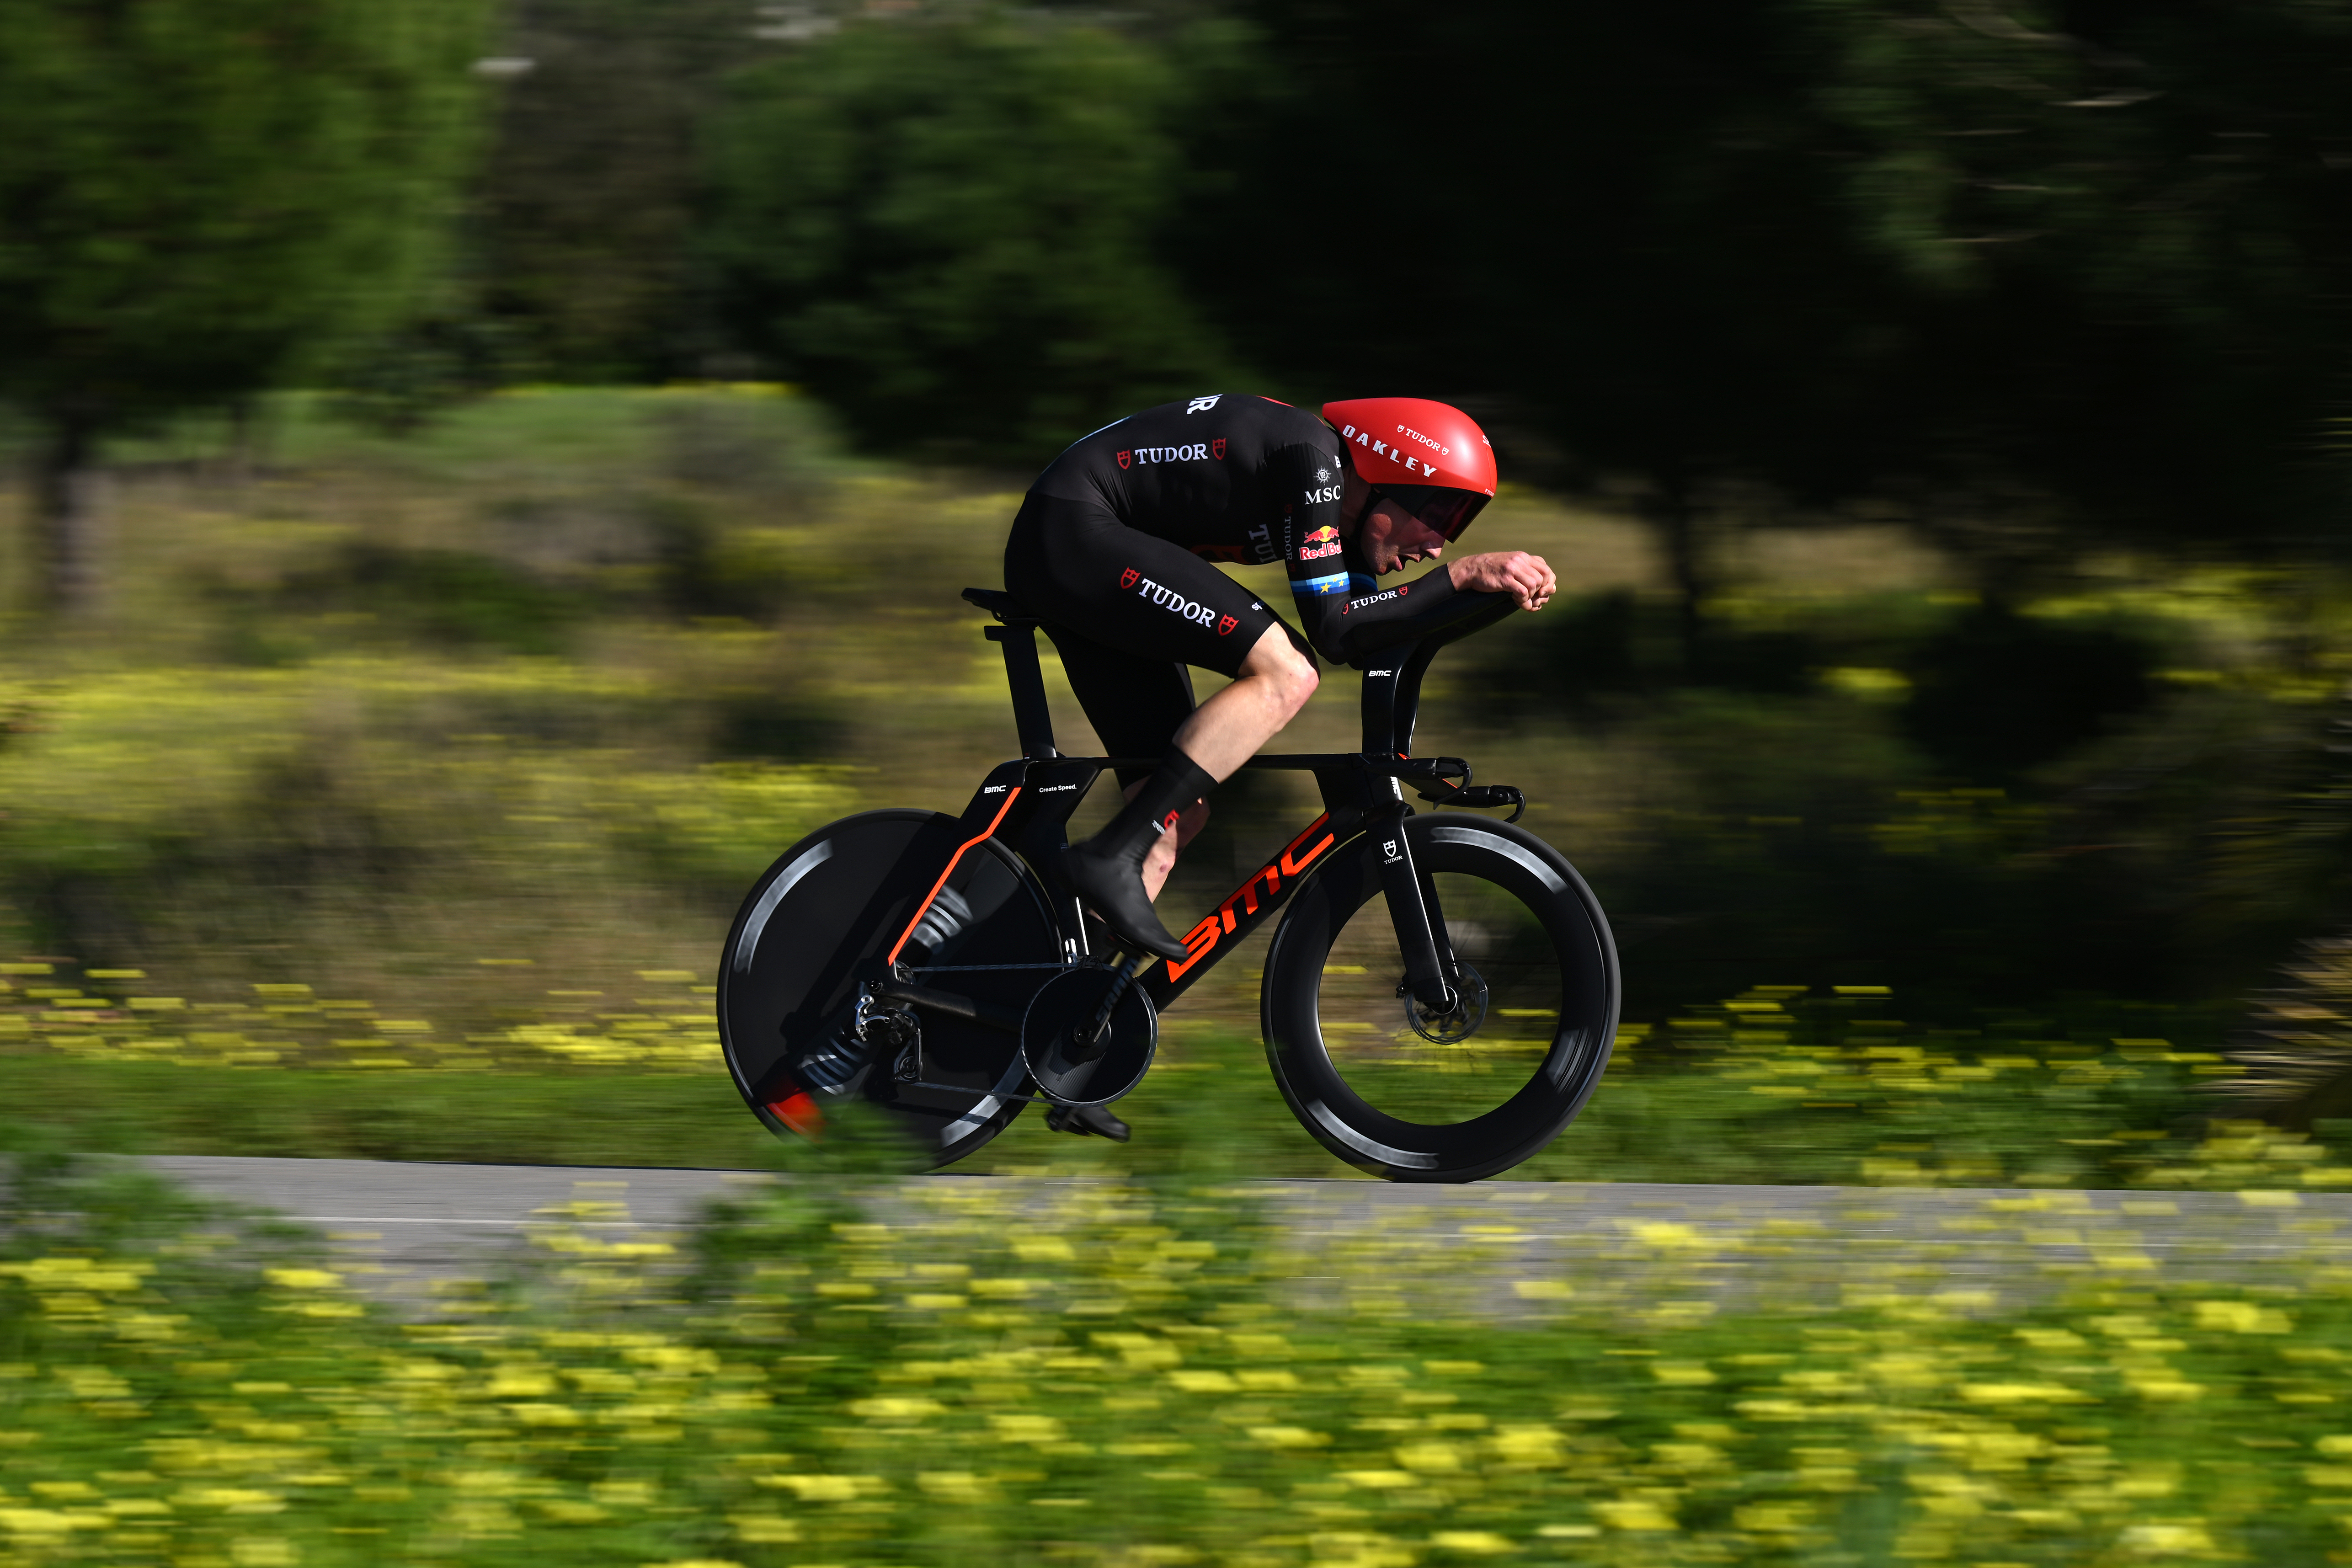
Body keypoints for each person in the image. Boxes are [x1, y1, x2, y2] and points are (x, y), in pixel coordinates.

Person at [1002, 395, 1555, 1136]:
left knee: (1173, 813)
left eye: (1457, 531)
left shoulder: (1330, 490)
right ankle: (1107, 856)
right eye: (1442, 516)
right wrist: (1462, 578)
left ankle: (1055, 1039)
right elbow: (1333, 634)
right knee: (1286, 671)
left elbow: (1372, 634)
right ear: (1390, 476)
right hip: (1075, 527)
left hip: (1090, 542)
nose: (1437, 544)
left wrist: (1473, 597)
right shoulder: (1313, 460)